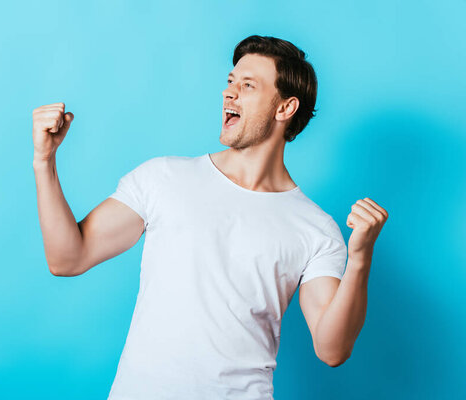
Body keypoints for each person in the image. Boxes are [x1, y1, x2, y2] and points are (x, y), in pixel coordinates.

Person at [32, 35, 389, 400]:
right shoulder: (163, 178)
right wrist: (44, 162)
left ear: (285, 108)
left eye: (247, 85)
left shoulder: (315, 228)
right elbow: (67, 258)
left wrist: (359, 259)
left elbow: (332, 350)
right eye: (230, 81)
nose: (228, 93)